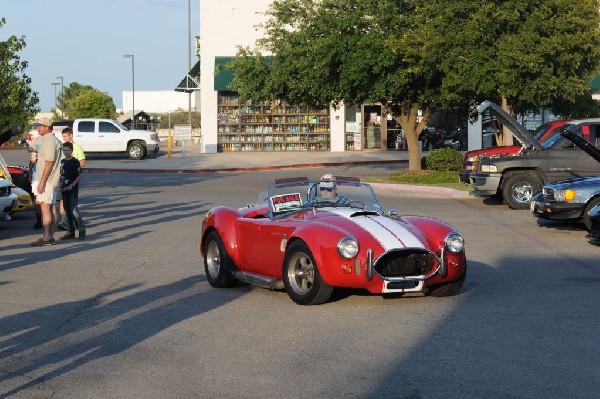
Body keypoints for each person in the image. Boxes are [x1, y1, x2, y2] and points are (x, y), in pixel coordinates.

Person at [30, 117, 62, 246]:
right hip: (50, 180)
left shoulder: (49, 140)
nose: (38, 128)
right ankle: (49, 236)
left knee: (45, 209)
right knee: (49, 207)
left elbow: (49, 162)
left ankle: (47, 237)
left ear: (47, 127)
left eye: (40, 125)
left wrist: (42, 181)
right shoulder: (51, 139)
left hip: (47, 181)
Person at [57, 127, 86, 231]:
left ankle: (81, 229)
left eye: (65, 136)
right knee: (66, 208)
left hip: (72, 185)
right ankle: (69, 229)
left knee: (73, 209)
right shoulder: (63, 161)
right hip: (63, 185)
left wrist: (72, 184)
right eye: (64, 150)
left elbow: (81, 166)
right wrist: (59, 183)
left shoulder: (76, 151)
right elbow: (61, 171)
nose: (66, 152)